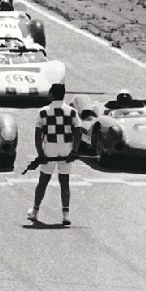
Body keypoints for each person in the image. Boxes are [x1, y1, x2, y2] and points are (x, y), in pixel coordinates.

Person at [27, 83, 82, 226]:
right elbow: (78, 132)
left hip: (49, 149)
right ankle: (66, 215)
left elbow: (38, 135)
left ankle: (35, 211)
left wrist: (40, 154)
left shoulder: (43, 112)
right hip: (66, 149)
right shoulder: (72, 112)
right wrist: (74, 151)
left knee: (43, 181)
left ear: (51, 94)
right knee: (65, 183)